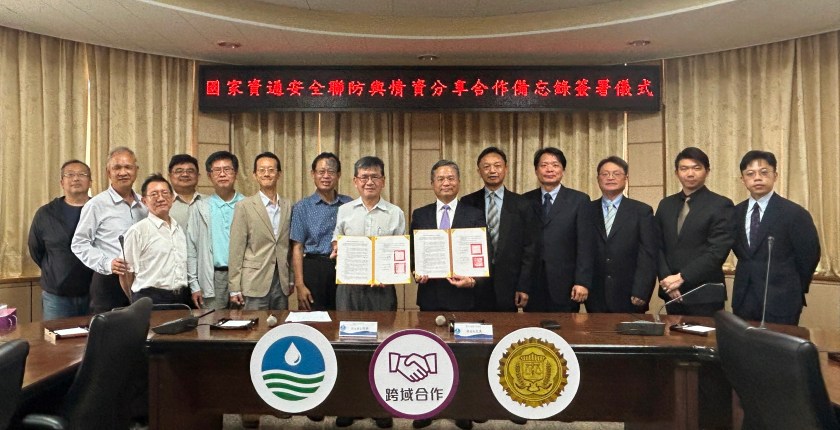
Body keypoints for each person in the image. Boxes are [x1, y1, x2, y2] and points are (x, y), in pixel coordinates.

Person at [332, 155, 404, 429]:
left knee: (382, 345)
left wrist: (390, 273)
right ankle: (349, 405)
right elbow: (336, 242)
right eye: (364, 177)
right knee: (349, 345)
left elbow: (399, 254)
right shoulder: (345, 211)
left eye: (375, 176)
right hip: (349, 289)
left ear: (383, 181)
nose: (369, 182)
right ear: (355, 181)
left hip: (382, 292)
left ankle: (380, 408)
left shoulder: (395, 213)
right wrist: (337, 250)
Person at [731, 150, 820, 325]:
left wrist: (794, 288)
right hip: (744, 299)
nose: (757, 178)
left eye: (764, 172)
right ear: (743, 180)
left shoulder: (794, 213)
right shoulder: (734, 213)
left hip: (782, 300)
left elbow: (809, 257)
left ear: (775, 176)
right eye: (750, 174)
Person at [655, 147, 734, 316]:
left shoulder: (721, 205)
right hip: (671, 293)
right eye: (684, 168)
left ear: (707, 171)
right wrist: (668, 281)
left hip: (704, 293)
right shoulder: (666, 205)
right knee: (672, 333)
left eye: (696, 168)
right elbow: (657, 246)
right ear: (676, 173)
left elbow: (717, 251)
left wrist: (681, 278)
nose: (690, 173)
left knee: (706, 334)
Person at [460, 147, 537, 312]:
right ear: (479, 171)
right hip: (474, 283)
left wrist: (523, 286)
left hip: (509, 283)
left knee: (506, 326)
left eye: (497, 165)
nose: (492, 170)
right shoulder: (467, 202)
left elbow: (529, 249)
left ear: (506, 168)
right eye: (486, 166)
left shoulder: (522, 204)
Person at [72, 147, 147, 314]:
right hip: (109, 282)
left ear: (136, 170)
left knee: (140, 327)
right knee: (109, 329)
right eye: (117, 168)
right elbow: (79, 243)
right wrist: (107, 263)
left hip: (141, 280)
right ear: (108, 172)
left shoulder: (144, 204)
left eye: (128, 167)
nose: (123, 172)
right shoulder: (96, 204)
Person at [522, 147, 595, 312]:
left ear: (563, 170)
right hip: (533, 285)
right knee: (532, 327)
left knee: (565, 327)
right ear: (536, 170)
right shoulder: (525, 200)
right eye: (544, 165)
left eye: (555, 165)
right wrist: (521, 285)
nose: (549, 169)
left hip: (566, 284)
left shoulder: (579, 200)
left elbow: (585, 245)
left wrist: (582, 282)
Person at [586, 156, 659, 313]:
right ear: (598, 179)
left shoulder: (642, 211)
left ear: (626, 178)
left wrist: (642, 290)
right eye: (605, 174)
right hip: (594, 293)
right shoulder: (586, 210)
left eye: (616, 174)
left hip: (629, 293)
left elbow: (648, 254)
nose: (610, 177)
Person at [411, 160, 485, 312]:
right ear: (432, 184)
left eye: (451, 178)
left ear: (459, 182)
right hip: (430, 297)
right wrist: (415, 272)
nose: (446, 183)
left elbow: (484, 253)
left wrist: (473, 280)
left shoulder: (475, 215)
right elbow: (412, 251)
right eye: (440, 179)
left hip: (464, 298)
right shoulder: (420, 215)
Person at [28, 160, 95, 320]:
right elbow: (36, 249)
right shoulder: (46, 213)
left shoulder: (100, 210)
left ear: (90, 182)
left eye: (82, 174)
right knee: (55, 336)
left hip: (96, 294)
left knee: (96, 335)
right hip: (57, 297)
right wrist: (55, 268)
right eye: (70, 175)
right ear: (61, 182)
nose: (76, 178)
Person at [228, 152, 292, 310]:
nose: (266, 174)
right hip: (254, 280)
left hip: (281, 281)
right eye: (262, 170)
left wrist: (291, 278)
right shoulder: (244, 206)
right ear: (255, 175)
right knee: (254, 324)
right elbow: (236, 249)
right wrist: (234, 287)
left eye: (271, 170)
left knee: (280, 323)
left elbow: (289, 246)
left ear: (279, 174)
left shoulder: (288, 205)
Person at [290, 152, 351, 311]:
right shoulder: (302, 207)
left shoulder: (349, 204)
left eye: (331, 172)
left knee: (344, 317)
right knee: (314, 320)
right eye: (321, 172)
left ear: (338, 175)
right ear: (313, 174)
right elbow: (297, 247)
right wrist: (299, 285)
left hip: (345, 268)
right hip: (314, 270)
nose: (326, 176)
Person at [119, 175, 190, 306]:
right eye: (154, 194)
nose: (161, 198)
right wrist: (134, 301)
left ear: (173, 198)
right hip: (150, 298)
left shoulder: (178, 229)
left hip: (182, 298)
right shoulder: (137, 231)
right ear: (144, 201)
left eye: (165, 193)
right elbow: (126, 273)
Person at [186, 151, 244, 310]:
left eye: (227, 169)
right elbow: (191, 249)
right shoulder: (200, 207)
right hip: (212, 276)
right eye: (217, 170)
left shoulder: (247, 205)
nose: (222, 174)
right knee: (212, 322)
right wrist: (194, 284)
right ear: (209, 176)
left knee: (245, 321)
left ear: (235, 173)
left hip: (243, 276)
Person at [167, 154, 204, 229]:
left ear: (198, 176)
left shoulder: (209, 202)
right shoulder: (162, 203)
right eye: (179, 171)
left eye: (190, 171)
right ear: (170, 176)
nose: (185, 174)